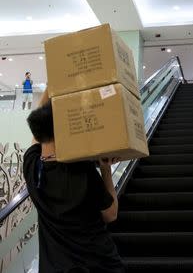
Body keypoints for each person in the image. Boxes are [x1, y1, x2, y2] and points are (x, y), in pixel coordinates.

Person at [23, 90, 124, 272]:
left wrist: (50, 86)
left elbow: (37, 129)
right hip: (97, 264)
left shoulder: (31, 166)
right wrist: (106, 170)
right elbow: (110, 214)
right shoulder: (80, 169)